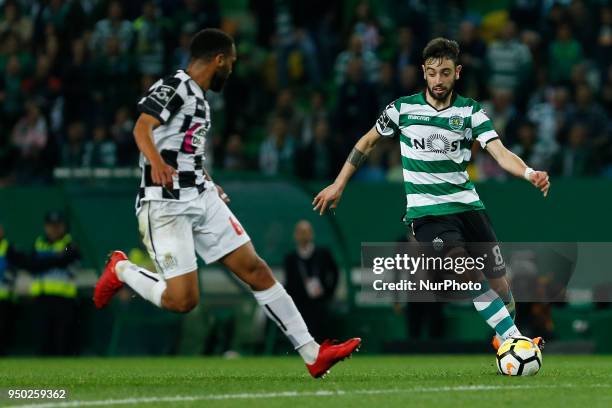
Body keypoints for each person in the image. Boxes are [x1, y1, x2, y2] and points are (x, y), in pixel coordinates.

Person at [93, 28, 359, 378]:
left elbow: (187, 152)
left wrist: (209, 183)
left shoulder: (202, 99)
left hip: (201, 197)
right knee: (183, 301)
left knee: (256, 270)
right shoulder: (174, 86)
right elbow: (142, 128)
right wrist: (157, 163)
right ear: (218, 59)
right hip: (165, 202)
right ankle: (121, 269)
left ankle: (313, 354)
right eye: (230, 63)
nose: (231, 71)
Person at [313, 38, 550, 352]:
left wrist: (529, 172)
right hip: (426, 214)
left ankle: (504, 337)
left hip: (468, 207)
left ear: (458, 73)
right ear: (423, 72)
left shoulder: (470, 111)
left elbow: (499, 152)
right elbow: (367, 142)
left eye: (446, 73)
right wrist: (339, 183)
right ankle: (515, 341)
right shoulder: (402, 109)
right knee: (464, 272)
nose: (439, 80)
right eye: (433, 73)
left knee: (500, 284)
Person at [30, 210, 82, 355]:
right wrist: (55, 259)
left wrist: (45, 261)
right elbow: (31, 264)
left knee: (62, 338)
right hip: (42, 297)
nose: (54, 229)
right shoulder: (39, 243)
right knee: (42, 337)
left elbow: (66, 256)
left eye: (57, 225)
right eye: (51, 225)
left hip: (63, 299)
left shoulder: (68, 244)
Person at [283, 220, 339, 341]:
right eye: (300, 232)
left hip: (320, 302)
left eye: (306, 232)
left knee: (322, 331)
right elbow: (289, 282)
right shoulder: (290, 259)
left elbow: (334, 272)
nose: (303, 235)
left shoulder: (323, 254)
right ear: (295, 235)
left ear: (311, 234)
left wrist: (329, 292)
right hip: (300, 305)